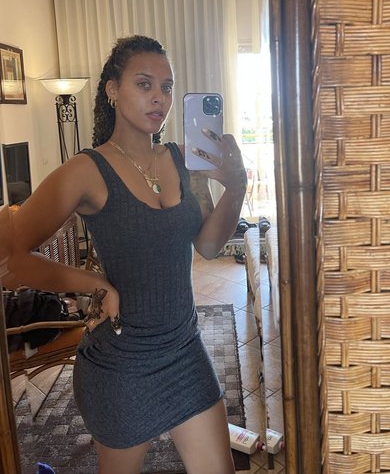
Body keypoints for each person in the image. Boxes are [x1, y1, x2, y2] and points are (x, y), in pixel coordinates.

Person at [3, 35, 247, 474]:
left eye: (167, 87)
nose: (159, 98)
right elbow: (12, 257)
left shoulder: (183, 160)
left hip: (184, 350)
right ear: (112, 90)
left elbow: (209, 246)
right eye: (144, 84)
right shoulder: (86, 170)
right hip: (121, 365)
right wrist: (94, 284)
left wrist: (237, 186)